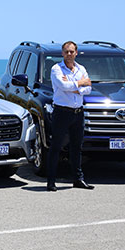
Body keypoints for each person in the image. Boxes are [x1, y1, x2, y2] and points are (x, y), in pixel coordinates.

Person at [47, 41, 94, 191]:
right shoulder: (56, 69)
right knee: (56, 147)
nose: (69, 54)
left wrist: (75, 86)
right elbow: (63, 86)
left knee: (76, 147)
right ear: (62, 53)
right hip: (61, 112)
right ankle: (51, 181)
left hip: (78, 113)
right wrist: (81, 83)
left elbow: (89, 89)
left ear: (76, 53)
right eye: (66, 52)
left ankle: (78, 179)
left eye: (72, 51)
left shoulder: (81, 69)